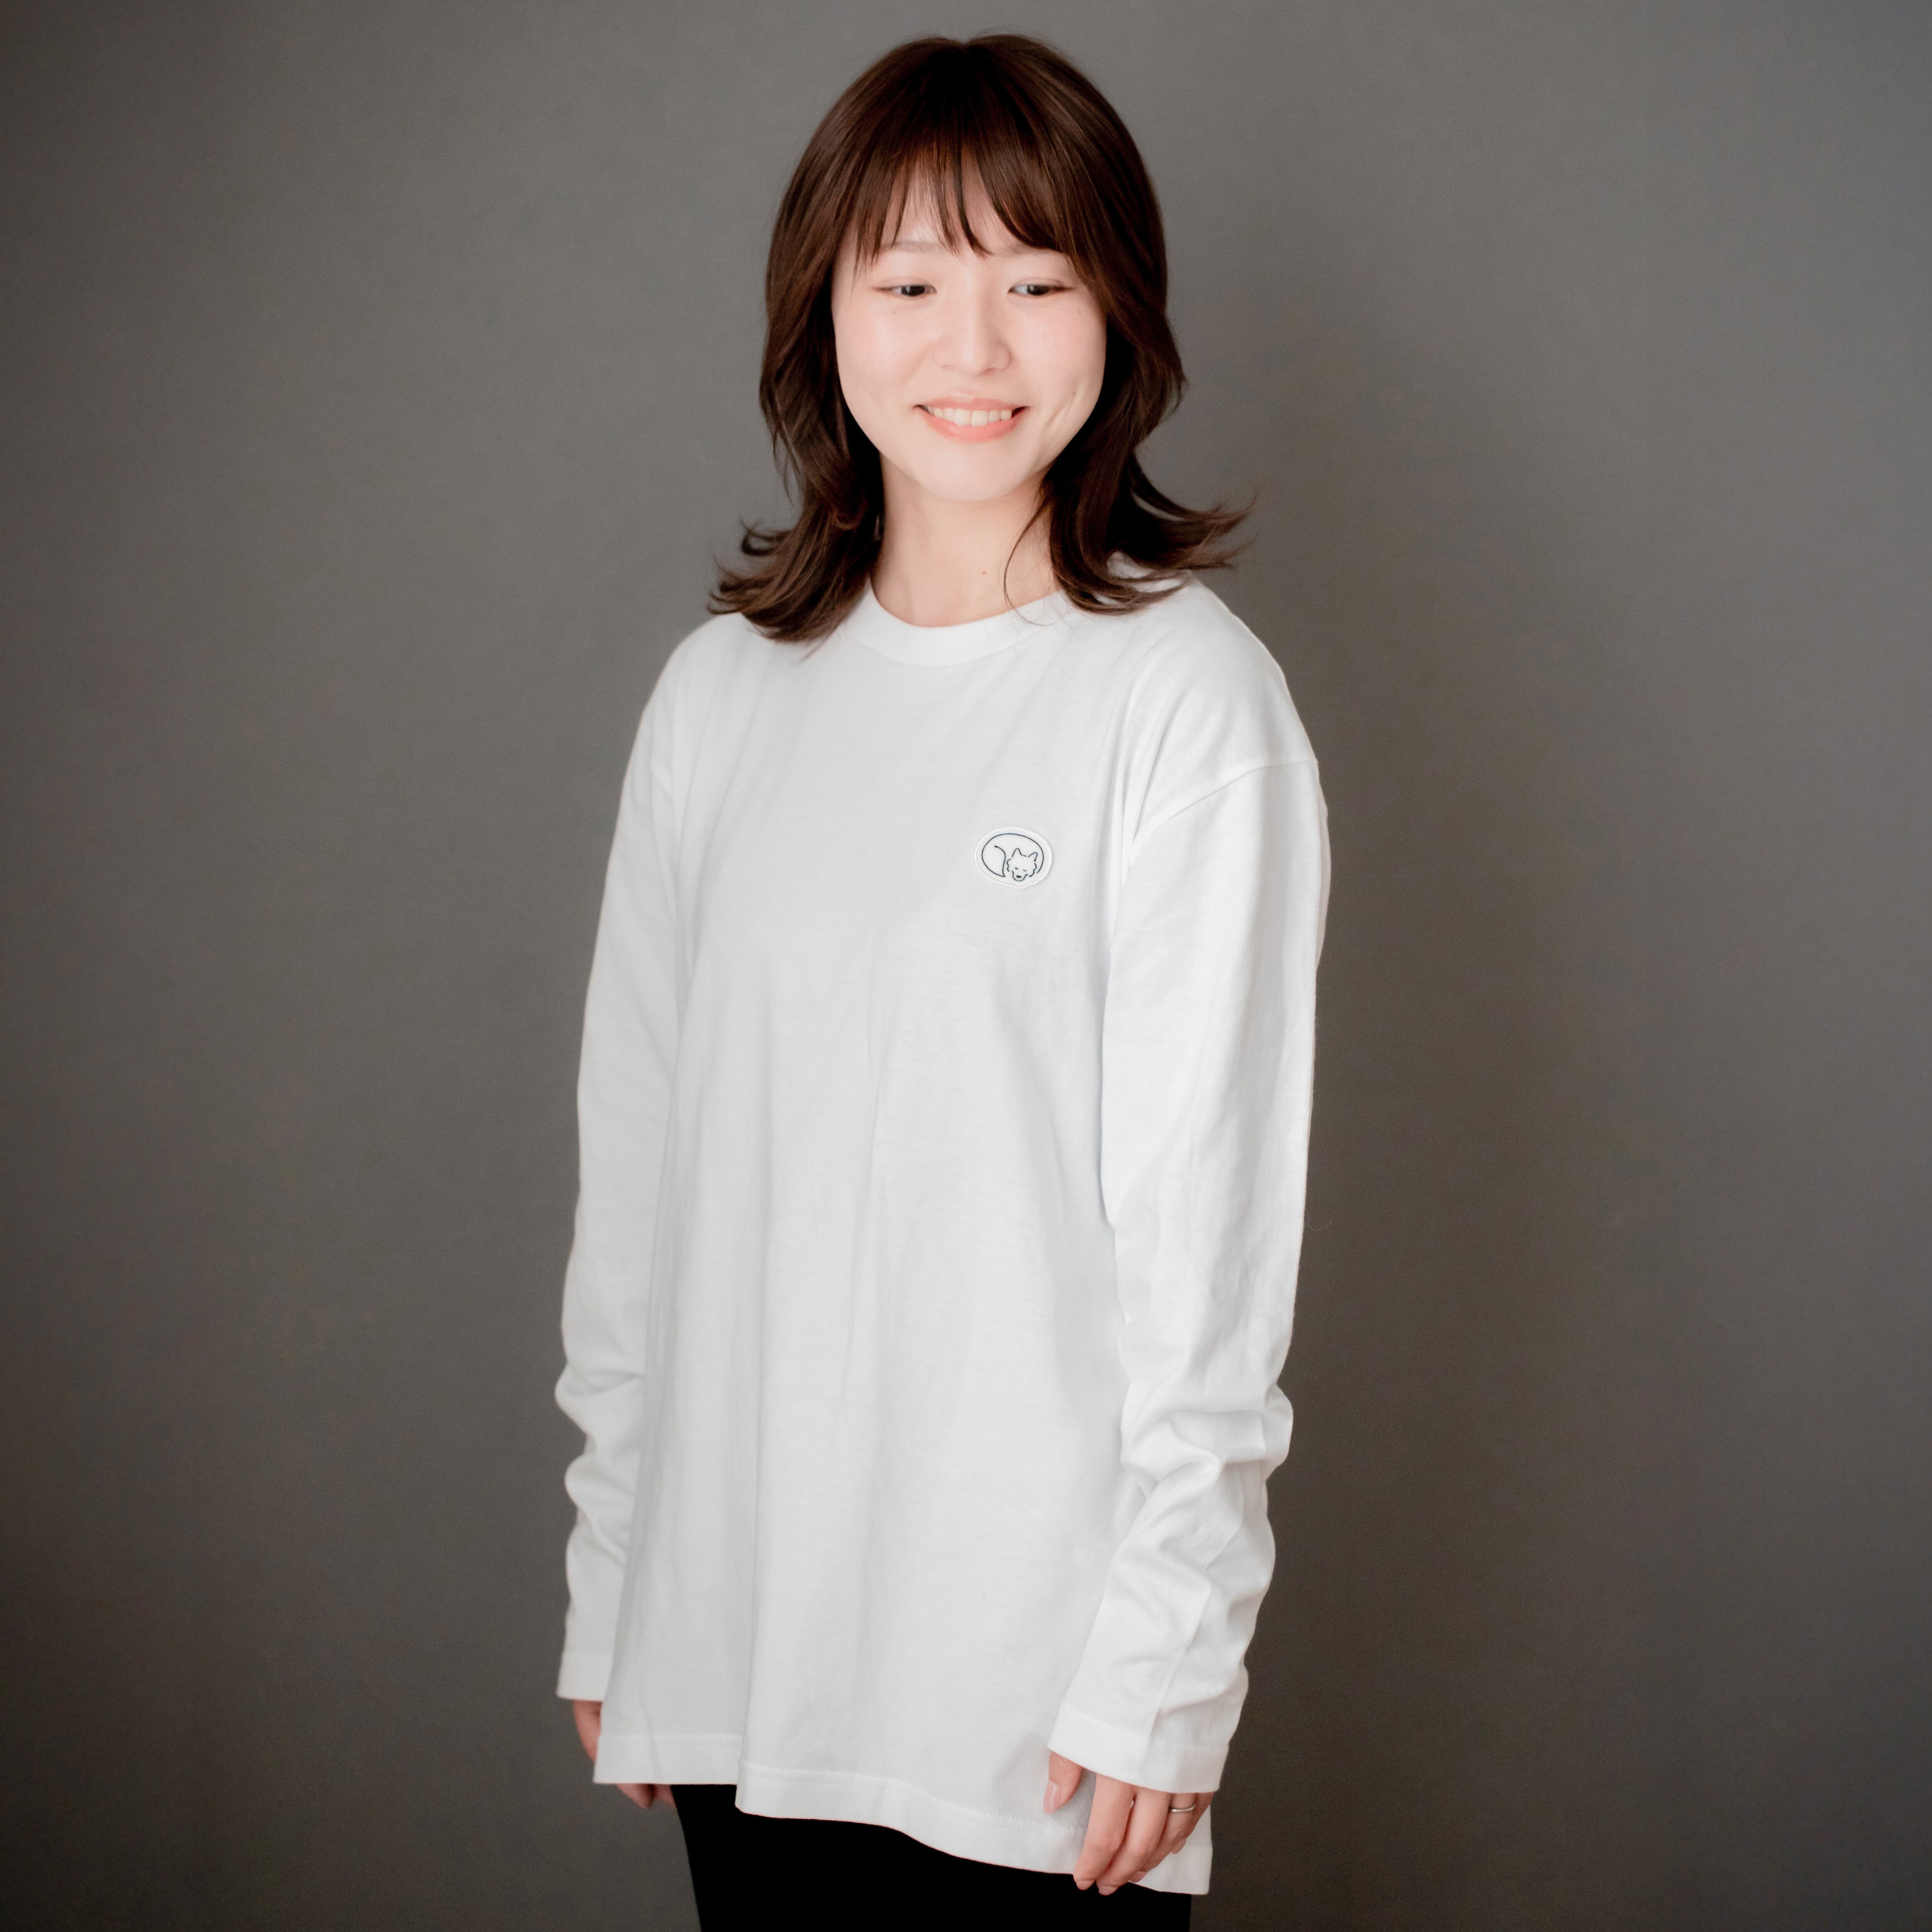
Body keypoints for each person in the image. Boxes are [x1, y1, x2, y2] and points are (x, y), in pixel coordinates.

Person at [554, 32, 1330, 1929]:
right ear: (821, 313)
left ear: (1116, 314)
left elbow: (1205, 1238)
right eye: (906, 283)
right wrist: (615, 1573)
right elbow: (641, 1182)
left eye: (1034, 281)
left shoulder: (1184, 700)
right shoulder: (719, 698)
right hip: (737, 1646)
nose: (970, 347)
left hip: (1033, 1703)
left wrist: (1168, 1662)